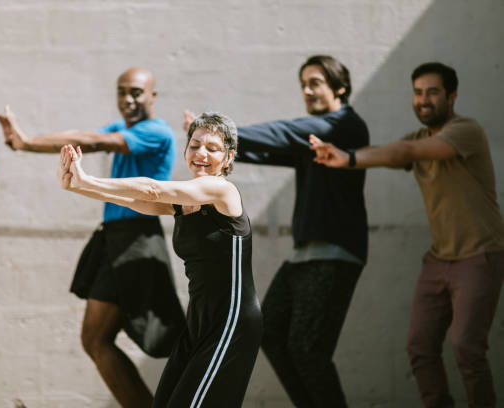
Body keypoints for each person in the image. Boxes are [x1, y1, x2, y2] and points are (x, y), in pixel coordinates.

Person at [310, 62, 504, 408]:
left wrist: (348, 158)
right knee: (420, 347)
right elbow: (388, 153)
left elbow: (406, 154)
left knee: (466, 347)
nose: (423, 100)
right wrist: (341, 156)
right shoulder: (416, 138)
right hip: (438, 260)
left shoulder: (465, 131)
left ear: (451, 97)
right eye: (417, 93)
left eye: (432, 92)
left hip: (479, 256)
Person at [184, 55, 369, 407]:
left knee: (307, 350)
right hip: (305, 254)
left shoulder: (344, 126)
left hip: (335, 253)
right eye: (303, 84)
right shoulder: (314, 141)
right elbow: (272, 148)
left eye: (315, 82)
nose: (307, 90)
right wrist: (221, 151)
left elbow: (282, 133)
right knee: (271, 337)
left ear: (340, 88)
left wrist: (222, 134)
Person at [0, 67, 185, 408]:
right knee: (95, 340)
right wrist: (26, 145)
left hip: (137, 239)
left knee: (98, 339)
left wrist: (28, 141)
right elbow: (80, 136)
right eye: (122, 91)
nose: (128, 99)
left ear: (153, 97)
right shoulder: (122, 127)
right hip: (114, 237)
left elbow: (97, 142)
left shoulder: (156, 131)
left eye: (136, 92)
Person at [57, 112, 263, 407]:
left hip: (231, 320)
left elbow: (151, 188)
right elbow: (138, 201)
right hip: (199, 321)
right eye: (194, 145)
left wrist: (88, 177)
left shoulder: (221, 190)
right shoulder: (186, 202)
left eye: (212, 148)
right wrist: (79, 185)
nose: (201, 154)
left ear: (228, 158)